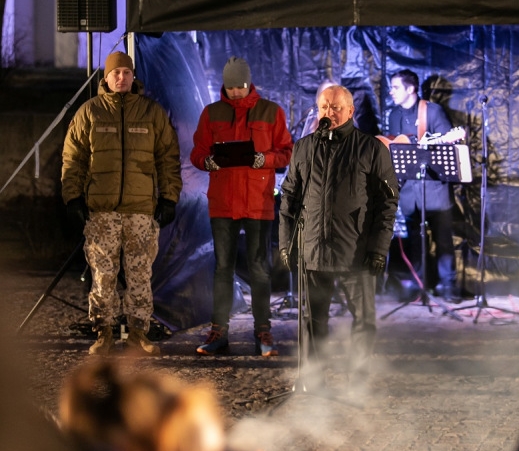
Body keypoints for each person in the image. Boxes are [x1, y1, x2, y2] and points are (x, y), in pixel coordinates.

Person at [62, 50, 182, 357]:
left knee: (140, 274)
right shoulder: (89, 113)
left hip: (140, 210)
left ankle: (138, 333)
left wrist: (169, 197)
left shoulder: (152, 113)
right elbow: (73, 159)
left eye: (127, 73)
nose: (121, 77)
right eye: (116, 73)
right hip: (102, 211)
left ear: (133, 77)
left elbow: (168, 158)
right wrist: (72, 196)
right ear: (106, 78)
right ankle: (103, 333)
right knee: (103, 274)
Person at [278, 84, 398, 383]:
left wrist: (378, 250)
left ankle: (358, 381)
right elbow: (289, 200)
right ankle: (313, 379)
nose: (328, 113)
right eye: (323, 107)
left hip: (355, 252)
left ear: (350, 111)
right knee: (312, 319)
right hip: (314, 250)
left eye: (334, 108)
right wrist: (285, 244)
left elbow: (387, 203)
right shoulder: (304, 147)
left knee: (363, 320)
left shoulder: (371, 149)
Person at [190, 56, 293, 357]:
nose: (235, 92)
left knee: (259, 268)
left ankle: (263, 332)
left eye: (240, 86)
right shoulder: (211, 114)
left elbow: (286, 151)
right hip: (223, 203)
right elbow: (198, 151)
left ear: (249, 84)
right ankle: (218, 332)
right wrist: (206, 161)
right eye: (231, 87)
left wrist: (266, 159)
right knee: (223, 268)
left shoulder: (271, 112)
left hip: (258, 203)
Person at [388, 68, 460, 302]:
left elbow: (449, 145)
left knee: (443, 240)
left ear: (411, 89)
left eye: (396, 87)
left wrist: (429, 147)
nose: (391, 92)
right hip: (409, 192)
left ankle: (448, 286)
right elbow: (394, 148)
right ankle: (420, 286)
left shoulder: (433, 111)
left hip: (435, 190)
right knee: (415, 242)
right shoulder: (394, 115)